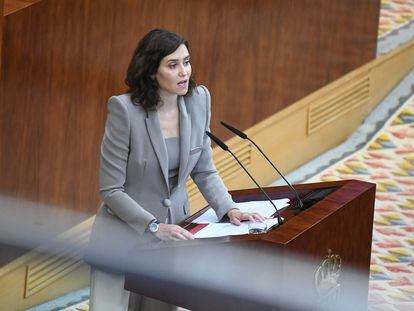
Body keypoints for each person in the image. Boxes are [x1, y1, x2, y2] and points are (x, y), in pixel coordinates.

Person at [87, 28, 265, 311]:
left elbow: (204, 169)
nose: (184, 72)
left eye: (186, 61)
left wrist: (229, 208)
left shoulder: (199, 100)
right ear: (150, 71)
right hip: (123, 237)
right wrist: (153, 226)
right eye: (173, 65)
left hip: (175, 236)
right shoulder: (124, 111)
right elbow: (111, 190)